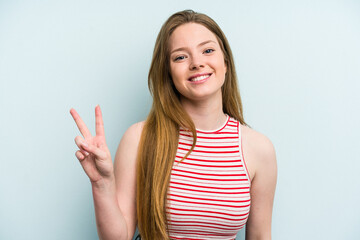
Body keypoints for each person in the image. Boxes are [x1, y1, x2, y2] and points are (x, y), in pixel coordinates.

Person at [70, 9, 277, 240]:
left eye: (208, 50)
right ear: (168, 73)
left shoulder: (259, 149)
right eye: (180, 57)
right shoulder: (140, 138)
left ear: (226, 63)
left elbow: (260, 236)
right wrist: (102, 184)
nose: (197, 63)